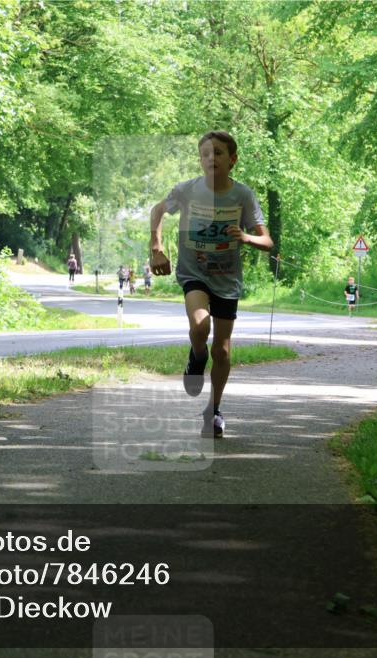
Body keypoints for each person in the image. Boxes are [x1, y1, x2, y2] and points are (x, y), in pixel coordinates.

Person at [149, 130, 273, 438]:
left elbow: (267, 241)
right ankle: (197, 355)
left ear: (232, 160)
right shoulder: (187, 190)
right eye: (205, 153)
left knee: (223, 350)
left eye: (218, 153)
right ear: (200, 160)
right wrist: (156, 247)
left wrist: (246, 237)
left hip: (227, 280)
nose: (211, 158)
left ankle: (213, 410)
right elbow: (158, 210)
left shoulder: (242, 195)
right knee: (200, 325)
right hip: (194, 273)